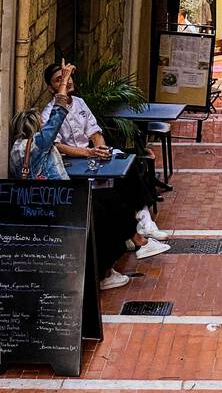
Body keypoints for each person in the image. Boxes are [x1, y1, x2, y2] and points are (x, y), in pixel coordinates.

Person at [10, 62, 140, 290]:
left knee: (109, 200)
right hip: (59, 203)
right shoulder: (39, 145)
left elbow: (93, 131)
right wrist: (67, 75)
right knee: (108, 206)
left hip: (46, 201)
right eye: (42, 125)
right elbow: (57, 115)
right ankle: (105, 270)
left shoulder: (16, 150)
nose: (45, 126)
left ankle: (124, 248)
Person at [40, 62, 171, 262]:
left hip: (92, 155)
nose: (67, 81)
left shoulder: (81, 103)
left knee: (129, 165)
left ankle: (144, 220)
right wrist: (88, 152)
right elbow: (57, 146)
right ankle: (134, 237)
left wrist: (101, 149)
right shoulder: (48, 113)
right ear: (50, 88)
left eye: (66, 77)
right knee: (111, 193)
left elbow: (95, 131)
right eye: (59, 80)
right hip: (74, 163)